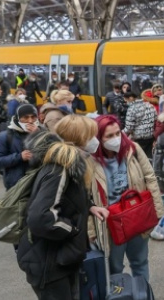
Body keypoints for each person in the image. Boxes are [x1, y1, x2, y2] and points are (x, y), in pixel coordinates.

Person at [17, 116, 106, 300]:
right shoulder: (59, 169)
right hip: (49, 263)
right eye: (91, 136)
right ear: (80, 139)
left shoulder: (69, 164)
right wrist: (72, 229)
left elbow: (67, 198)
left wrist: (89, 207)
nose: (95, 140)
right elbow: (40, 218)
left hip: (59, 258)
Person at [89, 115, 164, 281]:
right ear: (98, 138)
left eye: (118, 133)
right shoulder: (90, 160)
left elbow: (150, 177)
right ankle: (120, 293)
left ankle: (143, 294)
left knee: (140, 262)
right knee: (115, 267)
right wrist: (91, 231)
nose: (115, 139)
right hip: (111, 222)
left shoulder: (133, 148)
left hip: (136, 215)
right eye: (109, 136)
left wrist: (159, 211)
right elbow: (87, 197)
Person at [0, 104, 40, 190]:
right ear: (18, 118)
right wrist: (19, 157)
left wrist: (38, 135)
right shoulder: (5, 136)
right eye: (25, 117)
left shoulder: (43, 132)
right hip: (16, 186)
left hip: (39, 184)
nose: (30, 121)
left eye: (33, 117)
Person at [124, 91, 157, 159]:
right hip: (150, 137)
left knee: (139, 159)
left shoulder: (132, 109)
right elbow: (155, 120)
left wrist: (121, 134)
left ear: (130, 98)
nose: (125, 102)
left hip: (139, 138)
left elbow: (129, 128)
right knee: (148, 158)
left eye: (125, 100)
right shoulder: (150, 105)